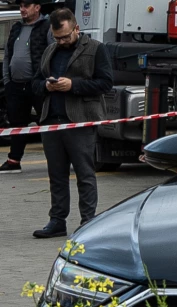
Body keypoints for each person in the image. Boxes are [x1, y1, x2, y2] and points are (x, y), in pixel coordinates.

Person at [30, 7, 113, 239]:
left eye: (66, 36)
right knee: (56, 175)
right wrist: (46, 85)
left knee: (85, 174)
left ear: (76, 28)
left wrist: (73, 85)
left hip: (80, 122)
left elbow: (106, 83)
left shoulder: (96, 49)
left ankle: (88, 221)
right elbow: (35, 82)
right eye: (58, 38)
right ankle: (57, 221)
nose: (63, 41)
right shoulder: (50, 50)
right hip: (52, 122)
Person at [1, 0, 52, 173]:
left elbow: (53, 53)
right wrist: (7, 80)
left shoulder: (47, 27)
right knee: (17, 124)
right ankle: (14, 161)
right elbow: (8, 54)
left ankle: (57, 160)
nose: (22, 9)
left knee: (47, 123)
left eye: (26, 6)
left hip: (37, 84)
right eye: (21, 6)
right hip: (15, 85)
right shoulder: (16, 28)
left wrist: (45, 81)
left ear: (37, 7)